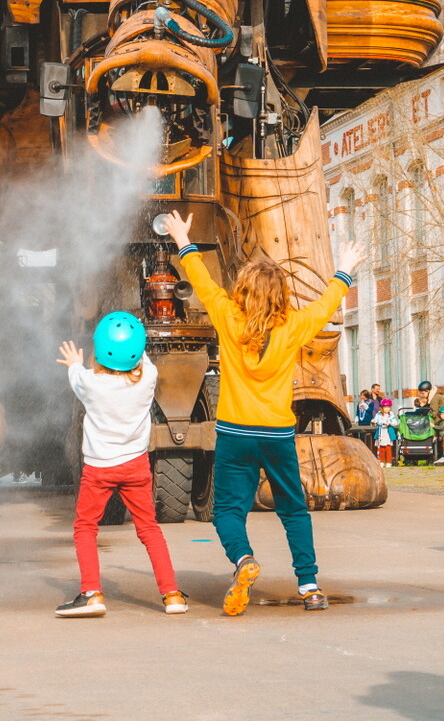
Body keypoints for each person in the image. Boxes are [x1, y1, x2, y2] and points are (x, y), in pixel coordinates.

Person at [161, 211, 364, 614]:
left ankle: (243, 560)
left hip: (235, 433)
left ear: (243, 290)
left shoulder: (227, 317)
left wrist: (183, 240)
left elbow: (202, 282)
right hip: (277, 435)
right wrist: (344, 270)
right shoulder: (293, 326)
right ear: (280, 295)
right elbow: (324, 307)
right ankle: (309, 586)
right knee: (293, 510)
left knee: (227, 511)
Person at [54, 312, 185, 618]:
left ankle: (91, 593)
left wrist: (75, 361)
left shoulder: (89, 383)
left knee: (85, 528)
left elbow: (76, 374)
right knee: (149, 529)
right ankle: (172, 595)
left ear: (99, 350)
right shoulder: (148, 378)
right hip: (136, 466)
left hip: (99, 469)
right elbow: (143, 357)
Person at [373, 398, 398, 466]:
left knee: (388, 447)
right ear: (382, 407)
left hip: (387, 433)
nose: (387, 409)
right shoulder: (378, 414)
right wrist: (374, 422)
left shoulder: (391, 414)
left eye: (388, 407)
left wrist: (389, 423)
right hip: (381, 432)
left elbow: (395, 422)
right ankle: (381, 461)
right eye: (385, 407)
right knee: (381, 448)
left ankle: (388, 462)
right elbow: (375, 420)